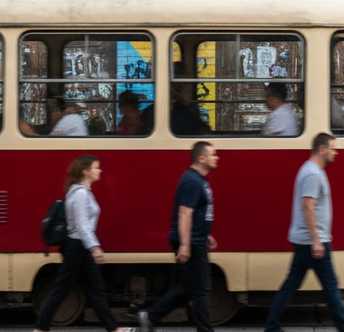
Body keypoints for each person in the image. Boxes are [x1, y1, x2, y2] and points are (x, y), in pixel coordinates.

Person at [32, 156, 137, 332]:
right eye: (96, 167)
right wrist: (94, 247)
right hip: (77, 246)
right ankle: (40, 328)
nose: (100, 170)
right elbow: (82, 226)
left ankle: (113, 328)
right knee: (63, 288)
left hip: (79, 246)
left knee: (95, 289)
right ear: (85, 171)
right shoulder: (80, 194)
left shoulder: (81, 192)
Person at [264, 133, 344, 332]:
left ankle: (272, 327)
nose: (336, 152)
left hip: (305, 239)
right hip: (311, 240)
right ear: (322, 149)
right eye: (332, 148)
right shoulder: (313, 173)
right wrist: (316, 240)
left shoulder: (311, 170)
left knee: (290, 286)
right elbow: (308, 207)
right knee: (331, 287)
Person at [138, 142, 219, 332]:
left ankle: (150, 316)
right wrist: (185, 245)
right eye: (213, 154)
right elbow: (184, 212)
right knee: (202, 290)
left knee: (190, 287)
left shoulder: (198, 179)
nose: (217, 157)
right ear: (201, 158)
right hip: (191, 241)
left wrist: (206, 234)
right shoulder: (192, 181)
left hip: (196, 238)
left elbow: (197, 212)